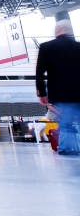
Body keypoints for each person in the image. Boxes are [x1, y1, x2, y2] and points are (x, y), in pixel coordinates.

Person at [35, 19, 80, 155]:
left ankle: (68, 151)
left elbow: (40, 73)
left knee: (66, 126)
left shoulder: (47, 47)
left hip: (61, 96)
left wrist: (42, 94)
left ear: (57, 31)